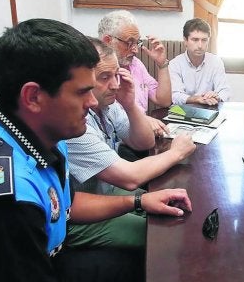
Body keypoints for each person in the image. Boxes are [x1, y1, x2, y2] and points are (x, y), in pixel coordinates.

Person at [0, 19, 190, 282]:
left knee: (133, 271)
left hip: (47, 269)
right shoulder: (8, 196)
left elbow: (67, 205)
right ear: (33, 96)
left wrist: (137, 203)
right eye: (81, 93)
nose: (92, 102)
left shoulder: (40, 130)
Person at [66, 39, 196, 249]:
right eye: (104, 77)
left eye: (116, 75)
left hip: (106, 193)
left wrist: (130, 105)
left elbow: (143, 142)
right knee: (161, 235)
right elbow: (129, 177)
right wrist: (176, 153)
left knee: (174, 211)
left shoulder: (107, 104)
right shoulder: (74, 121)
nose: (116, 85)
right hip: (81, 213)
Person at [98, 10, 172, 137]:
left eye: (137, 42)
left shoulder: (136, 64)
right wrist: (142, 120)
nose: (136, 50)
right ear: (107, 41)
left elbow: (163, 101)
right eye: (129, 43)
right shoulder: (96, 72)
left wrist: (162, 64)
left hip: (142, 133)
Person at [169, 18, 231, 105]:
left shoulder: (216, 62)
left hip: (209, 109)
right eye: (195, 40)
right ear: (185, 41)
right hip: (183, 111)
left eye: (204, 40)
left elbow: (225, 91)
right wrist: (196, 99)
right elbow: (175, 95)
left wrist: (217, 96)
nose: (200, 45)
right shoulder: (175, 64)